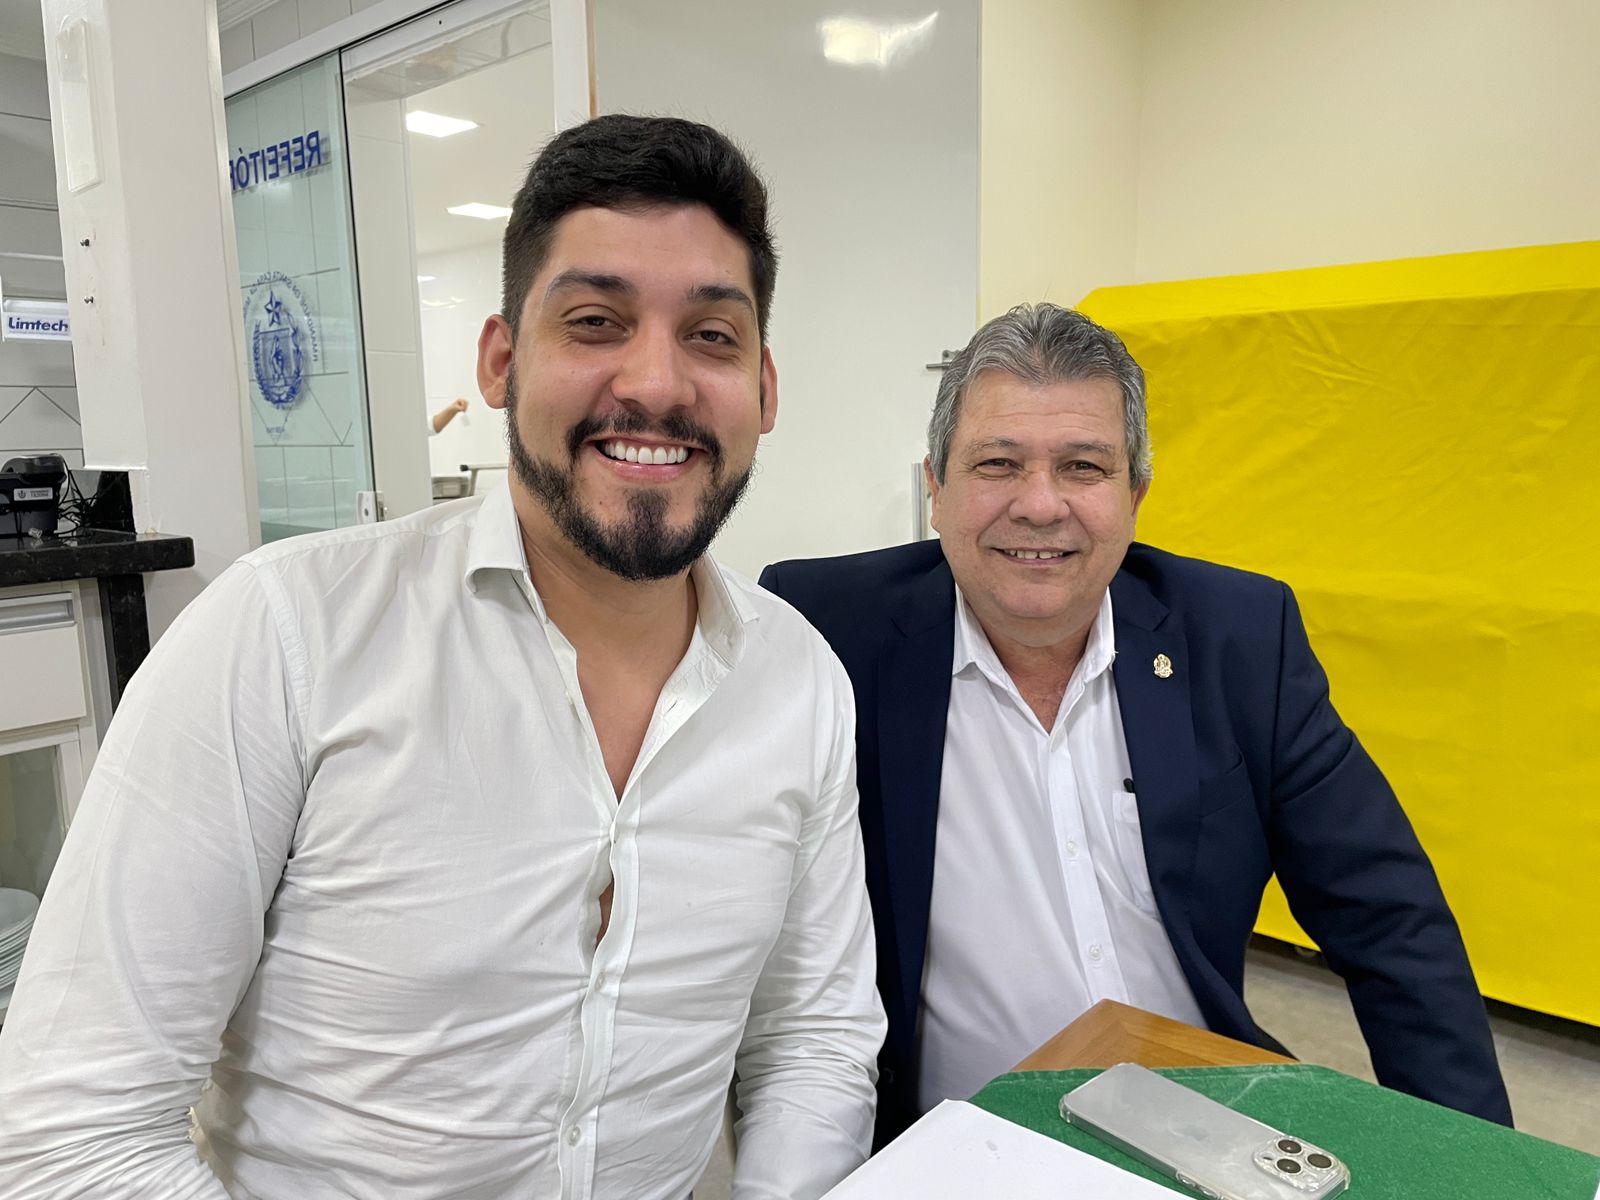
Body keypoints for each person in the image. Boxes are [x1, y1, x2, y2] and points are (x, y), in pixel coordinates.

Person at [0, 115, 884, 1199]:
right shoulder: (284, 636)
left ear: (765, 389)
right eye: (596, 322)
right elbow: (73, 1131)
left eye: (711, 335)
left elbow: (813, 1039)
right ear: (501, 362)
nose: (657, 383)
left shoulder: (799, 681)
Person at [760, 303, 1511, 1146]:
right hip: (952, 1144)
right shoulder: (827, 629)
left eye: (1083, 466)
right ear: (935, 488)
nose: (1039, 505)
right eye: (997, 463)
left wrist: (1479, 1164)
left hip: (1207, 1124)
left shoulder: (1239, 639)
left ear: (1135, 495)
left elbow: (1391, 921)